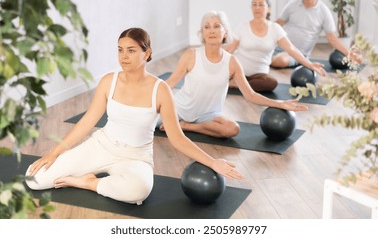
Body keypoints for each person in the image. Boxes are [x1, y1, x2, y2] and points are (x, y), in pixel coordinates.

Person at [25, 28, 243, 205]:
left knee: (137, 191)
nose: (124, 57)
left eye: (131, 50)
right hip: (101, 145)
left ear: (146, 53)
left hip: (135, 157)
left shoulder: (161, 90)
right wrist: (53, 153)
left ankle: (89, 183)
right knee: (34, 179)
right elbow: (86, 123)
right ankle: (94, 177)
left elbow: (177, 138)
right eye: (120, 50)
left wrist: (213, 162)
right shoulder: (108, 81)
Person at [159, 11, 309, 139]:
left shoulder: (232, 62)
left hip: (208, 115)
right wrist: (148, 99)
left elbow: (250, 95)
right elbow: (170, 83)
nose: (212, 31)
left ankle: (186, 126)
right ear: (202, 33)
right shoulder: (191, 55)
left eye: (217, 26)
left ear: (225, 32)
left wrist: (280, 103)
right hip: (178, 108)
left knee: (232, 129)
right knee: (142, 122)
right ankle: (178, 123)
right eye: (207, 27)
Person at [225, 0, 326, 92]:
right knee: (222, 76)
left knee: (271, 83)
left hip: (259, 74)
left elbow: (291, 49)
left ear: (268, 8)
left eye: (261, 5)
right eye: (254, 5)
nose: (257, 8)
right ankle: (240, 83)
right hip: (239, 71)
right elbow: (230, 49)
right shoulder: (242, 26)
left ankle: (237, 84)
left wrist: (310, 65)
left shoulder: (275, 29)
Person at [271, 0, 361, 68]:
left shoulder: (323, 11)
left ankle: (265, 60)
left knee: (280, 60)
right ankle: (265, 59)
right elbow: (278, 24)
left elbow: (331, 37)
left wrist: (349, 54)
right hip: (279, 46)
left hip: (298, 54)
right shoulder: (292, 5)